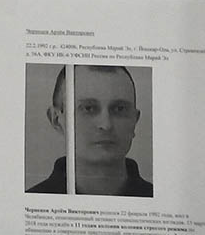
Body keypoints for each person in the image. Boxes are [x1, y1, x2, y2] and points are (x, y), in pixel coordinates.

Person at [28, 65, 152, 196]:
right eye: (88, 108)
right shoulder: (30, 202)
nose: (106, 125)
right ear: (56, 120)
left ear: (134, 121)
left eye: (119, 109)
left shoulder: (160, 200)